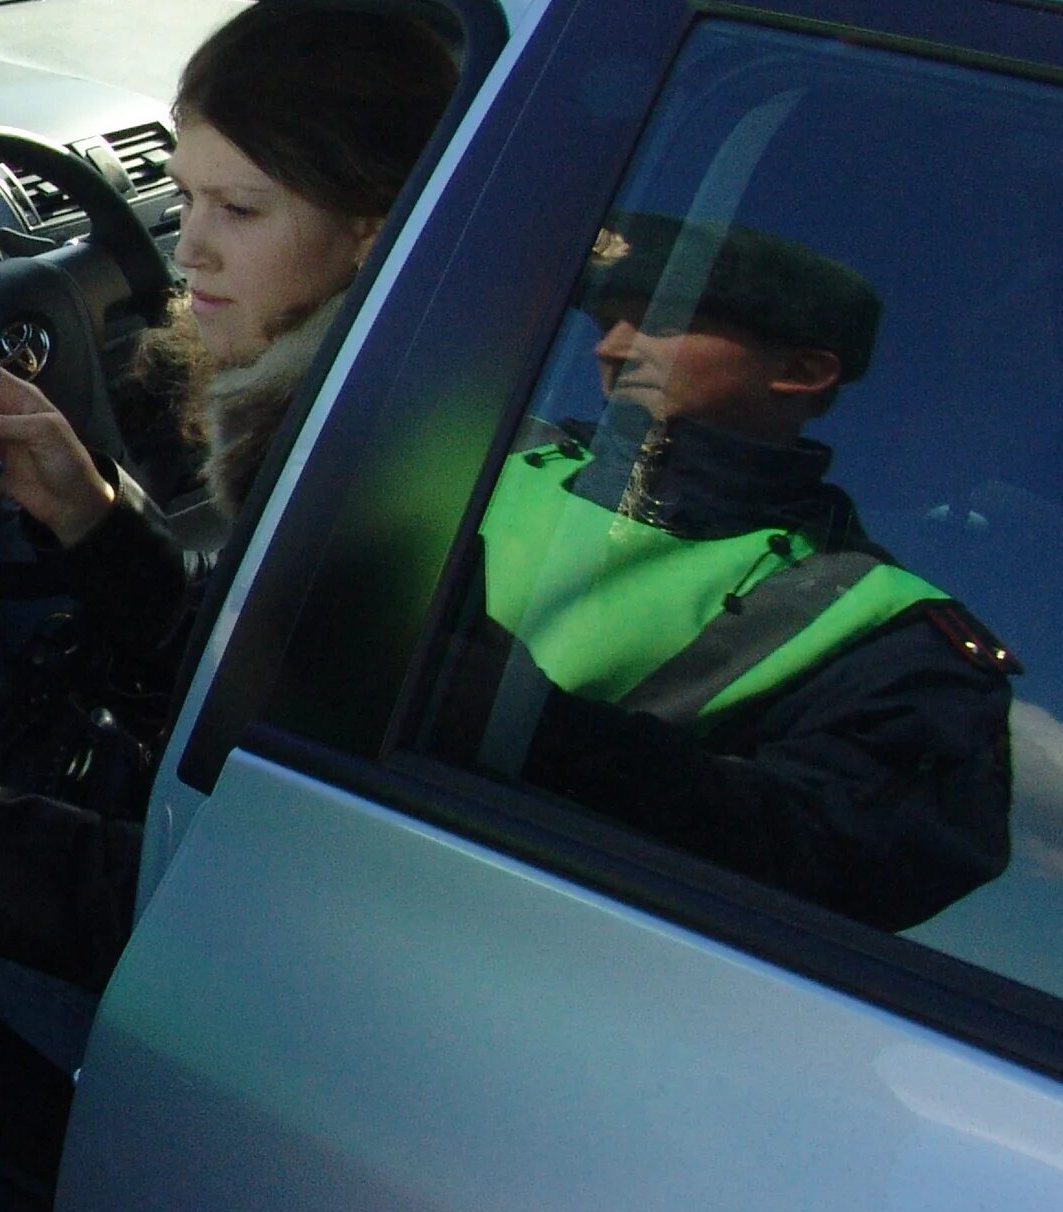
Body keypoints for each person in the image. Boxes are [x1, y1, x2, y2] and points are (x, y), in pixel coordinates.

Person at [0, 1, 459, 986]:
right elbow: (255, 665)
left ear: (371, 234)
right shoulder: (403, 405)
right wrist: (92, 514)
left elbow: (234, 911)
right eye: (186, 197)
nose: (188, 249)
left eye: (242, 210)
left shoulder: (389, 506)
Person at [431, 213, 1015, 932]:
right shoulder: (468, 447)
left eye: (660, 322)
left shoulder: (892, 633)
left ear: (801, 372)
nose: (613, 349)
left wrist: (517, 719)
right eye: (609, 320)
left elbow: (852, 859)